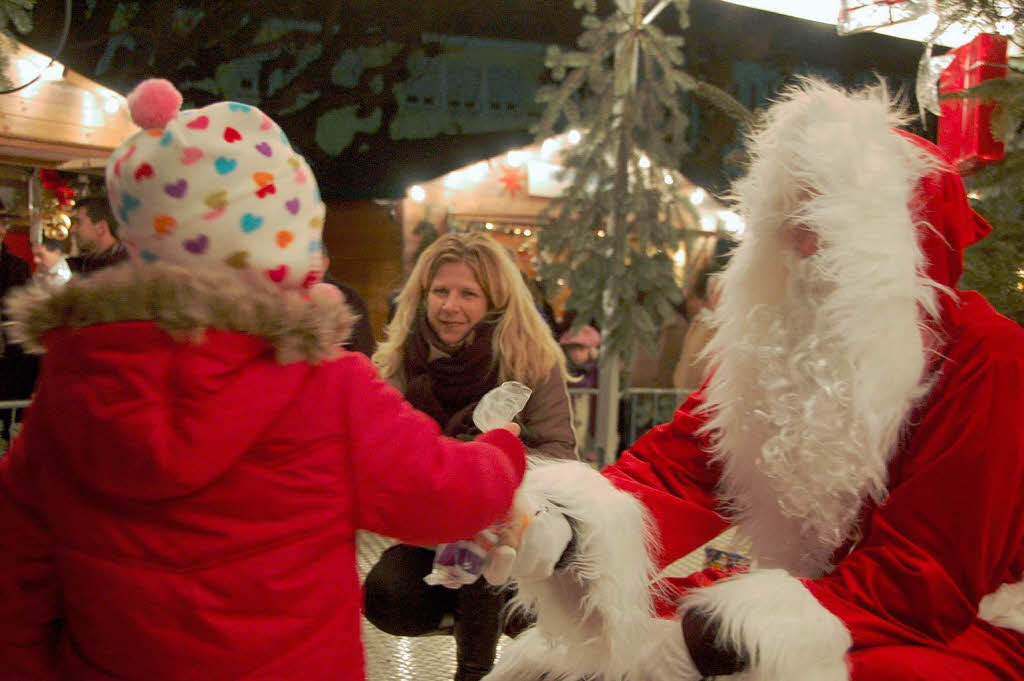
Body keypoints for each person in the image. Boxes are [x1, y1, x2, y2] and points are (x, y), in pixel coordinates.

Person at [479, 79, 1024, 681]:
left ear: (892, 245)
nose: (796, 239)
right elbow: (678, 467)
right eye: (786, 218)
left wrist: (746, 625)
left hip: (968, 620)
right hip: (829, 595)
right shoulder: (780, 347)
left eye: (819, 218)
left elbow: (927, 574)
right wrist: (568, 531)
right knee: (561, 662)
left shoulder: (986, 358)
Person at [0, 79, 528, 681]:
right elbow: (444, 494)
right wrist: (504, 451)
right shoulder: (323, 384)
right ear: (287, 240)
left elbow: (16, 573)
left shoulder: (73, 385)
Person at [363, 230, 577, 681]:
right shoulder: (400, 359)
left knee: (485, 525)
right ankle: (459, 614)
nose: (450, 306)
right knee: (387, 594)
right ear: (423, 295)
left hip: (515, 531)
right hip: (430, 524)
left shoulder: (532, 359)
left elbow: (559, 451)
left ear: (494, 301)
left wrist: (494, 475)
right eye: (440, 291)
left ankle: (475, 669)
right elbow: (385, 449)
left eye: (467, 294)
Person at [67, 195, 129, 274]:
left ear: (101, 228)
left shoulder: (125, 264)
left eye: (78, 222)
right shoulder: (88, 263)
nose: (72, 229)